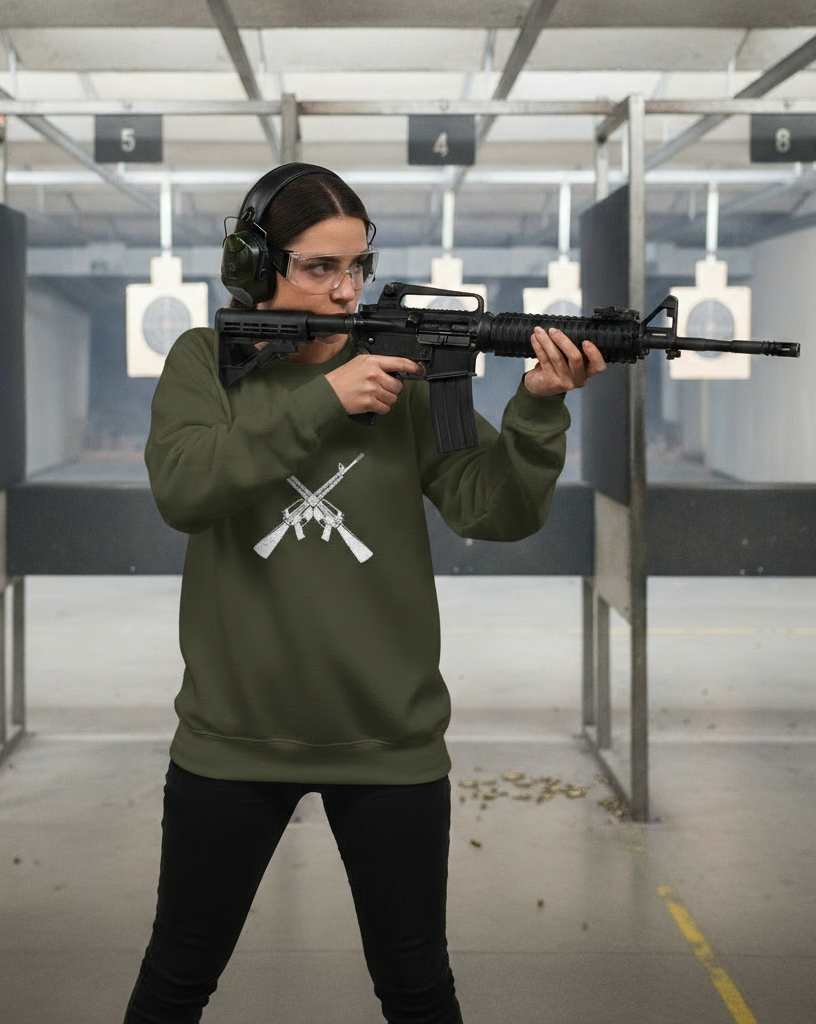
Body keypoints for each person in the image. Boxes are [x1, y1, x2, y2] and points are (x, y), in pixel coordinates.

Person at [124, 163, 606, 1024]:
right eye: (320, 267)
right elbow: (185, 490)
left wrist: (537, 408)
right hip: (234, 736)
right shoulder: (203, 360)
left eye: (358, 267)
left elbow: (492, 510)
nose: (347, 291)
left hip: (390, 739)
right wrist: (324, 403)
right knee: (176, 979)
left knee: (418, 989)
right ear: (254, 264)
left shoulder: (402, 376)